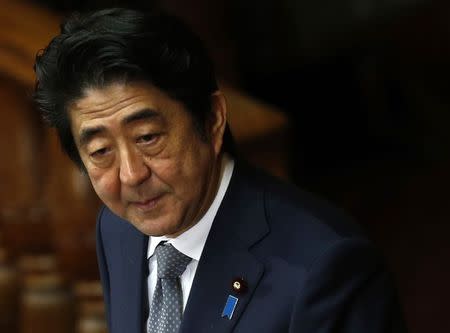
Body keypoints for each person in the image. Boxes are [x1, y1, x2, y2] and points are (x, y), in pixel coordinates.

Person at [33, 8, 407, 333]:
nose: (131, 175)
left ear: (212, 121)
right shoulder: (117, 229)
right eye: (100, 151)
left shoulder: (326, 267)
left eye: (147, 137)